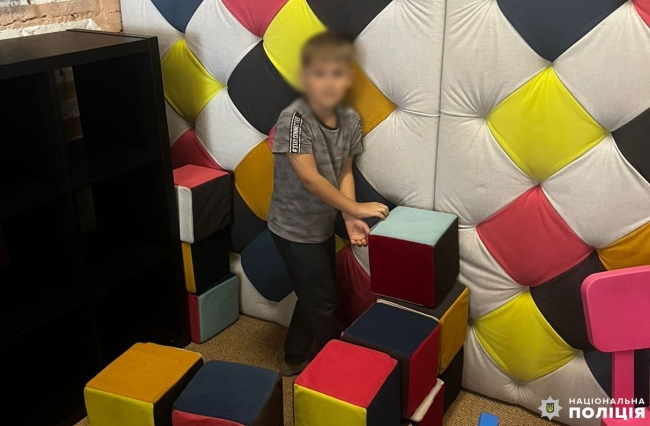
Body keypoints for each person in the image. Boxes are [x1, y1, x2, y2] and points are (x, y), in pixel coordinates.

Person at [268, 32, 389, 376]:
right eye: (319, 74)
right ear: (306, 78)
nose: (328, 82)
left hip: (320, 225)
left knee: (315, 294)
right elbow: (310, 177)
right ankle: (337, 373)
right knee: (323, 302)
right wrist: (360, 208)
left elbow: (343, 172)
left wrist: (350, 216)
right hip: (291, 228)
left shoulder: (351, 119)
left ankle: (293, 357)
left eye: (337, 74)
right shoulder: (294, 119)